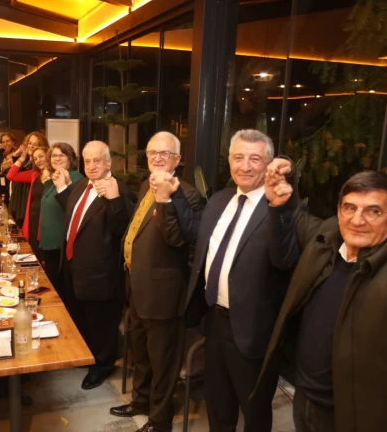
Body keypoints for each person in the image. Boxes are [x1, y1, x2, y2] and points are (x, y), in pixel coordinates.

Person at [257, 163, 387, 432]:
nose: (357, 220)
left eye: (373, 211)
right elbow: (298, 218)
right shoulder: (325, 238)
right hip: (305, 399)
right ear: (338, 211)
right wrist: (279, 198)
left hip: (358, 419)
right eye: (350, 207)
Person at [154, 129, 291, 432]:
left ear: (268, 164)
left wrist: (280, 209)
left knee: (254, 411)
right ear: (229, 161)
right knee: (218, 404)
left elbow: (285, 259)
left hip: (253, 330)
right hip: (214, 321)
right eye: (238, 157)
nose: (245, 166)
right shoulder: (220, 200)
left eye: (255, 159)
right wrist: (176, 196)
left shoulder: (278, 205)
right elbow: (197, 234)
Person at [109, 132, 205, 432]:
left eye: (166, 153)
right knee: (140, 354)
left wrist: (165, 199)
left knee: (163, 362)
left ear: (178, 159)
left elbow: (177, 240)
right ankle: (140, 401)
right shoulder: (144, 185)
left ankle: (160, 420)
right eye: (153, 153)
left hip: (163, 294)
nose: (158, 158)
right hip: (138, 288)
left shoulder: (187, 194)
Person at [53, 140, 136, 390]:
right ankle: (86, 356)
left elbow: (122, 229)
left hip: (101, 273)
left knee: (101, 323)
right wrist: (61, 189)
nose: (91, 166)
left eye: (97, 161)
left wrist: (114, 200)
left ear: (108, 163)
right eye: (87, 161)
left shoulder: (120, 190)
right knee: (81, 316)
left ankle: (102, 365)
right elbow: (77, 213)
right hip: (74, 266)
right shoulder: (81, 185)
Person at [40, 142, 83, 293]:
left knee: (59, 288)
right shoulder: (53, 179)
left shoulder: (76, 178)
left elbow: (73, 207)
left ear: (71, 158)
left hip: (60, 243)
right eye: (53, 155)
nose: (57, 158)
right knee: (52, 283)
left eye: (62, 155)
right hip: (49, 242)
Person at [6, 146, 50, 260]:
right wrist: (21, 158)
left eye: (41, 156)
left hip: (47, 219)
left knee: (47, 256)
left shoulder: (57, 175)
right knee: (34, 252)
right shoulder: (34, 174)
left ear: (49, 156)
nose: (38, 160)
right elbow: (11, 175)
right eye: (35, 158)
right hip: (33, 218)